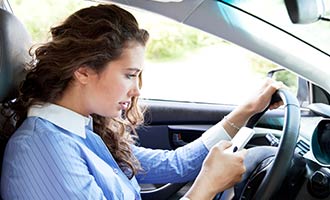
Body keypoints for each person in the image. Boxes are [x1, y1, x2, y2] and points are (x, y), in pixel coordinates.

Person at [0, 4, 284, 200]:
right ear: (83, 70)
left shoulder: (84, 129)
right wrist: (207, 186)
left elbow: (177, 164)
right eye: (129, 75)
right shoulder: (42, 149)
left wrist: (248, 110)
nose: (137, 90)